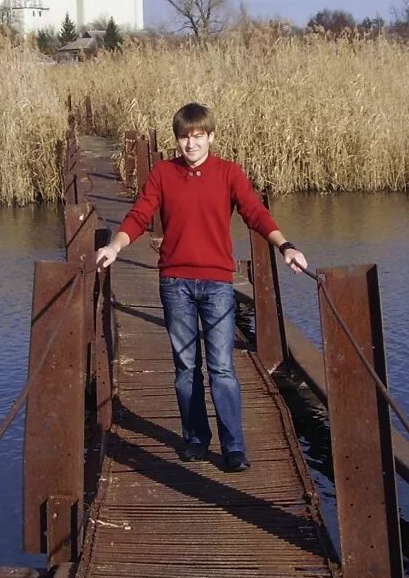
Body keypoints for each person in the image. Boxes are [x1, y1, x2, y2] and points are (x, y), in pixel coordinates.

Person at [94, 103, 309, 471]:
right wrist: (115, 246)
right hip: (174, 282)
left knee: (222, 366)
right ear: (176, 139)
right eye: (183, 137)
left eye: (197, 136)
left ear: (211, 136)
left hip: (217, 284)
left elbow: (255, 212)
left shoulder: (228, 173)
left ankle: (233, 447)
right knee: (186, 367)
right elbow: (140, 214)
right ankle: (195, 438)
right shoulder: (163, 173)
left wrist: (285, 246)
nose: (190, 144)